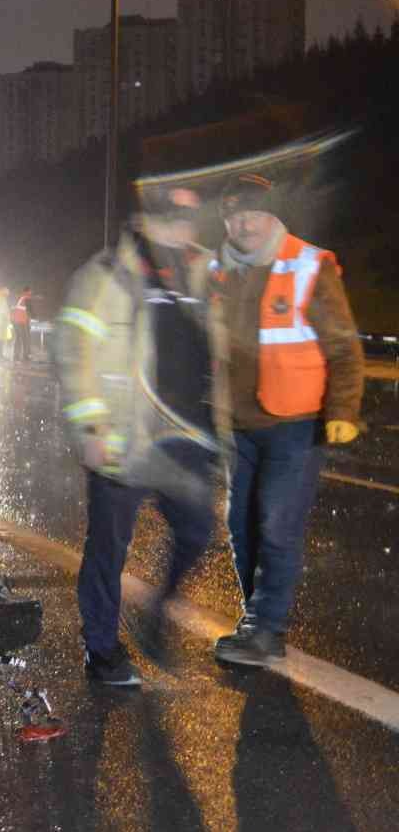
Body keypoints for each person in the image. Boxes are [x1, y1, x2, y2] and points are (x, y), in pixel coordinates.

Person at [55, 185, 222, 686]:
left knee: (197, 530)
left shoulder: (202, 273)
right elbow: (72, 350)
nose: (180, 228)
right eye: (170, 218)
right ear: (146, 220)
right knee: (108, 547)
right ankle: (102, 650)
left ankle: (157, 613)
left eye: (188, 219)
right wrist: (90, 424)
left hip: (187, 437)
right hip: (123, 435)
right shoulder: (106, 274)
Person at [210, 173, 364, 666]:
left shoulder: (307, 264)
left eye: (253, 212)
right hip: (238, 423)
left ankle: (267, 628)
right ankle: (256, 616)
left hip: (295, 421)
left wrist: (342, 410)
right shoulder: (219, 271)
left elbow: (342, 344)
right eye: (235, 214)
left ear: (274, 215)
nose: (244, 223)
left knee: (277, 526)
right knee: (241, 525)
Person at [11, 286, 34, 363]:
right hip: (20, 321)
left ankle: (24, 356)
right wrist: (33, 317)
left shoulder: (22, 298)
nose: (31, 293)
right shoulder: (26, 298)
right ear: (28, 291)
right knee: (20, 338)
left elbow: (25, 310)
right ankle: (17, 357)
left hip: (19, 321)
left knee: (23, 338)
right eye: (30, 291)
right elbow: (29, 310)